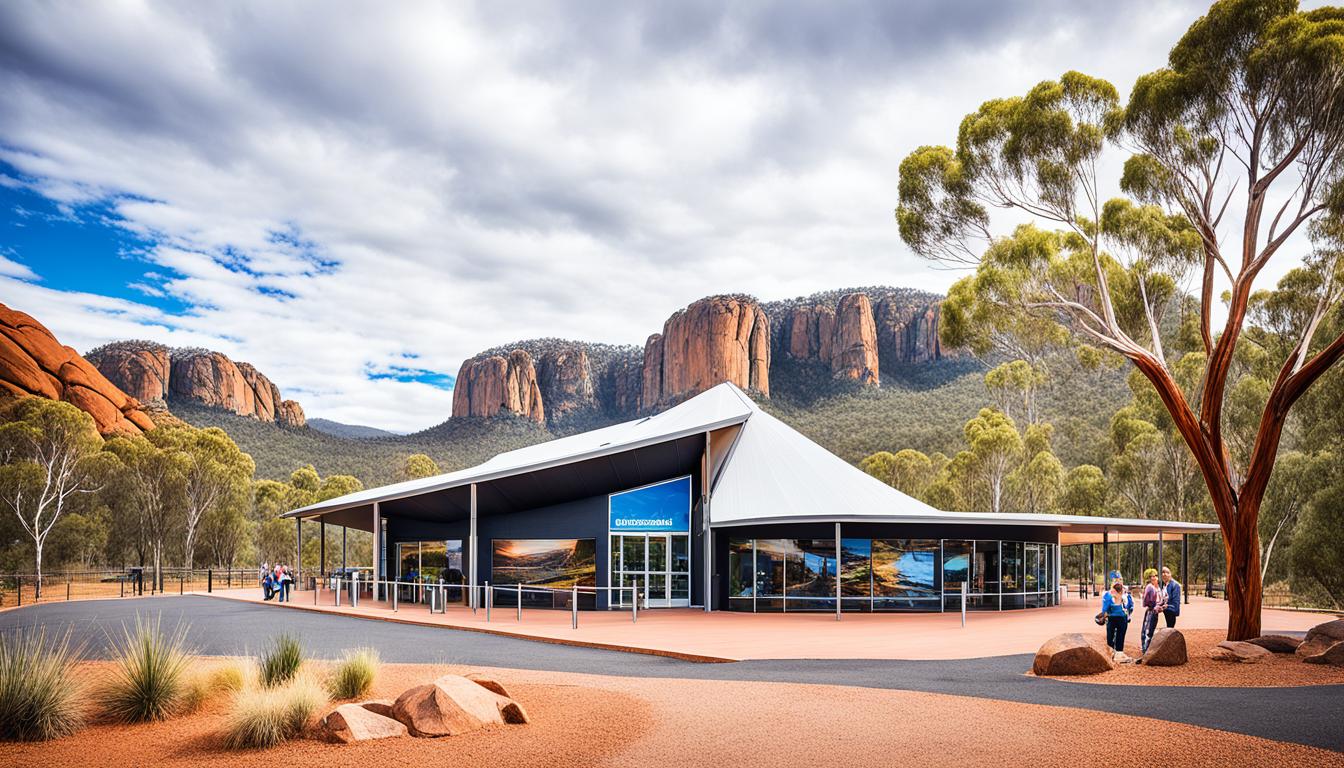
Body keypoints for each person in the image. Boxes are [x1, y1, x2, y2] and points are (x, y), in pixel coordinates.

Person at [1101, 581, 1133, 657]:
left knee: (1114, 636)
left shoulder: (1109, 596)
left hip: (1116, 618)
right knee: (1116, 636)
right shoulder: (1125, 597)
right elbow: (1130, 608)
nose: (1111, 592)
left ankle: (1114, 653)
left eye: (1113, 590)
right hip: (1118, 618)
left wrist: (1104, 616)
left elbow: (1104, 610)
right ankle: (1116, 653)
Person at [1140, 568, 1166, 654]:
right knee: (1148, 631)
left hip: (1153, 611)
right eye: (1151, 576)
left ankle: (1146, 649)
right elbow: (1149, 602)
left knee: (1148, 630)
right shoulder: (1150, 588)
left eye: (1155, 576)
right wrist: (1157, 607)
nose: (1154, 578)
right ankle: (1146, 650)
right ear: (1148, 578)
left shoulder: (1155, 587)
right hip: (1152, 611)